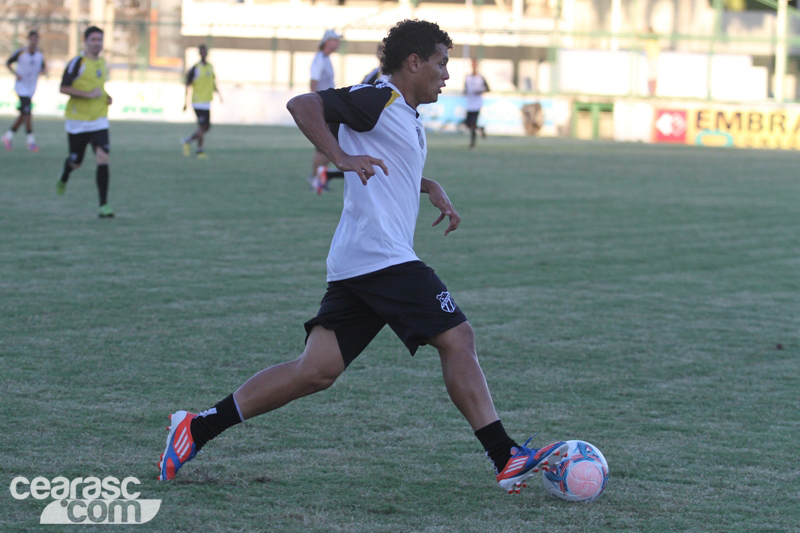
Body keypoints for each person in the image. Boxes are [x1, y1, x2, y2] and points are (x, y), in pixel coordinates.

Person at [157, 19, 568, 494]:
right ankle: (505, 455)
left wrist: (428, 184)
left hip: (360, 259)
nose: (447, 75)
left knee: (315, 371)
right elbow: (303, 104)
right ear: (413, 63)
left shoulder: (405, 113)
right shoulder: (379, 97)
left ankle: (197, 427)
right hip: (382, 258)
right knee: (458, 338)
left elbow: (382, 161)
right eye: (441, 64)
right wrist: (337, 157)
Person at [56, 26, 114, 219]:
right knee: (76, 162)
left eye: (100, 39)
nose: (97, 43)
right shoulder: (77, 63)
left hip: (99, 120)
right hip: (78, 122)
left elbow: (99, 87)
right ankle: (65, 174)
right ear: (85, 41)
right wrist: (87, 95)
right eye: (93, 40)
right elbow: (63, 88)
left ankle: (103, 205)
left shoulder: (103, 63)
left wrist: (106, 97)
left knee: (103, 158)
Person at [307, 29, 345, 194]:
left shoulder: (326, 59)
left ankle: (318, 178)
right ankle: (315, 178)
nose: (337, 43)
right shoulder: (320, 59)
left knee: (329, 144)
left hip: (328, 106)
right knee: (323, 145)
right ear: (327, 41)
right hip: (323, 106)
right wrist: (315, 106)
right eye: (335, 40)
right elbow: (313, 82)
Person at [2, 30, 47, 152]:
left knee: (24, 114)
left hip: (32, 88)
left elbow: (44, 67)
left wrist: (43, 72)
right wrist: (15, 74)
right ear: (29, 39)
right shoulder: (21, 52)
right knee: (28, 114)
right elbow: (8, 63)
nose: (34, 41)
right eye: (32, 39)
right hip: (21, 88)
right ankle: (30, 141)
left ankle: (8, 136)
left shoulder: (40, 54)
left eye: (36, 39)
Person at [181, 44, 222, 159]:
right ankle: (200, 150)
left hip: (207, 102)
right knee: (202, 126)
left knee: (206, 127)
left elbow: (212, 82)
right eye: (202, 52)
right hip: (198, 101)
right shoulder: (195, 68)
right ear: (199, 53)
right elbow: (188, 85)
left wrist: (219, 94)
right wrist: (185, 102)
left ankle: (188, 141)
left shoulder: (210, 67)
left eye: (205, 51)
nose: (204, 53)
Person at [464, 58, 489, 150]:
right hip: (469, 103)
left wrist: (480, 91)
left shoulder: (481, 78)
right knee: (468, 124)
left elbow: (488, 88)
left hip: (477, 104)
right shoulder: (468, 77)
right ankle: (481, 129)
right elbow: (465, 89)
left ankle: (472, 144)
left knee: (473, 123)